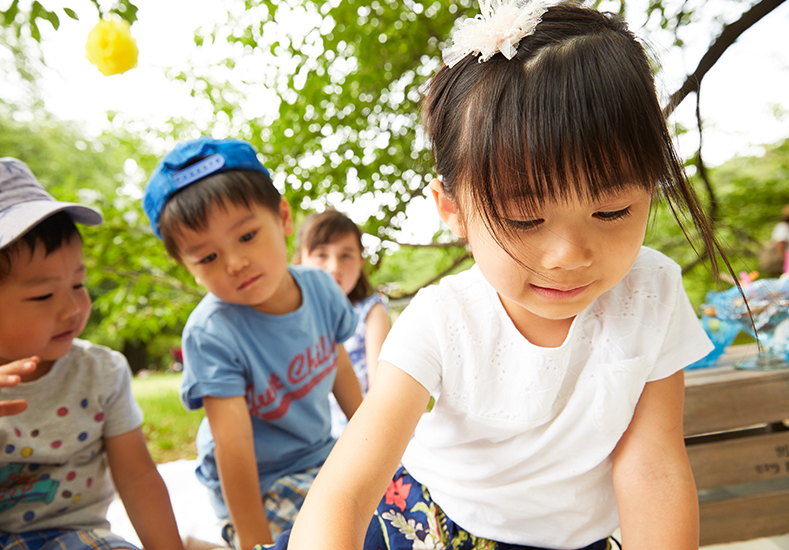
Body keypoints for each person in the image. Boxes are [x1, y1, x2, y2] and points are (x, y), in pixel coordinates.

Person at [259, 2, 730, 549]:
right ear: (453, 211)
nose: (568, 255)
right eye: (525, 218)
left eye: (612, 212)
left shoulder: (652, 291)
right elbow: (346, 490)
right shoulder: (441, 320)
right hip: (431, 525)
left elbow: (652, 468)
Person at [141, 137, 362, 550]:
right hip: (259, 481)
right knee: (327, 538)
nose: (234, 263)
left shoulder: (320, 288)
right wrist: (254, 542)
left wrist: (373, 447)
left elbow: (340, 369)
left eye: (246, 236)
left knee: (398, 506)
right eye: (207, 258)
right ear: (186, 267)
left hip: (319, 453)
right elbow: (234, 447)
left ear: (282, 218)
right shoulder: (212, 332)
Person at [0, 157, 184, 550]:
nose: (73, 309)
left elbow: (137, 477)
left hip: (75, 538)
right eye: (43, 294)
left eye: (78, 283)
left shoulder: (102, 371)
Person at [294, 210, 391, 437]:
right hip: (309, 434)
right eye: (321, 255)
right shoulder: (294, 317)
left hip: (364, 424)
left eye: (346, 255)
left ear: (360, 263)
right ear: (300, 261)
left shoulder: (371, 311)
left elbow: (382, 387)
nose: (334, 266)